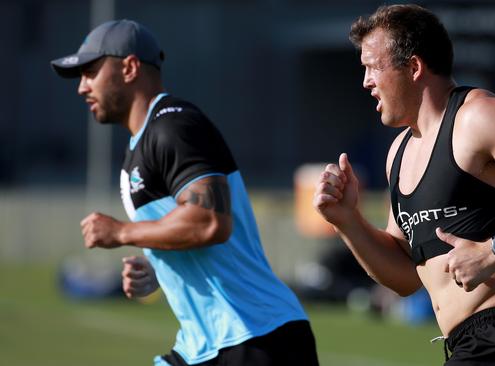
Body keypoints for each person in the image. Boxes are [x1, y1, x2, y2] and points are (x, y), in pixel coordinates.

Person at [313, 4, 495, 365]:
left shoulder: (477, 117)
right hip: (473, 342)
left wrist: (494, 250)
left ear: (414, 67)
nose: (366, 82)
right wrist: (347, 220)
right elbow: (405, 276)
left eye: (374, 67)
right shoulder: (399, 153)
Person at [51, 19, 318, 366]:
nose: (82, 88)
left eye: (91, 72)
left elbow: (209, 221)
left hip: (255, 337)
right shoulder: (143, 142)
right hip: (208, 344)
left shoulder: (173, 126)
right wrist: (159, 266)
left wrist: (122, 232)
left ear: (129, 67)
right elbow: (191, 229)